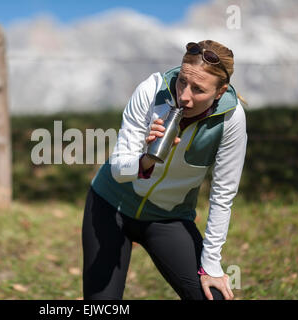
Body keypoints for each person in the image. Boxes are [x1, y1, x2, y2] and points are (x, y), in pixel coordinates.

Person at [81, 40, 247, 300]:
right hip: (111, 205)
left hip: (168, 218)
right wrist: (146, 159)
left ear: (220, 91)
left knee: (210, 297)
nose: (184, 96)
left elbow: (223, 194)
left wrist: (211, 265)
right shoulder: (152, 90)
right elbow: (118, 169)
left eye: (198, 90)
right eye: (182, 81)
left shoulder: (232, 119)